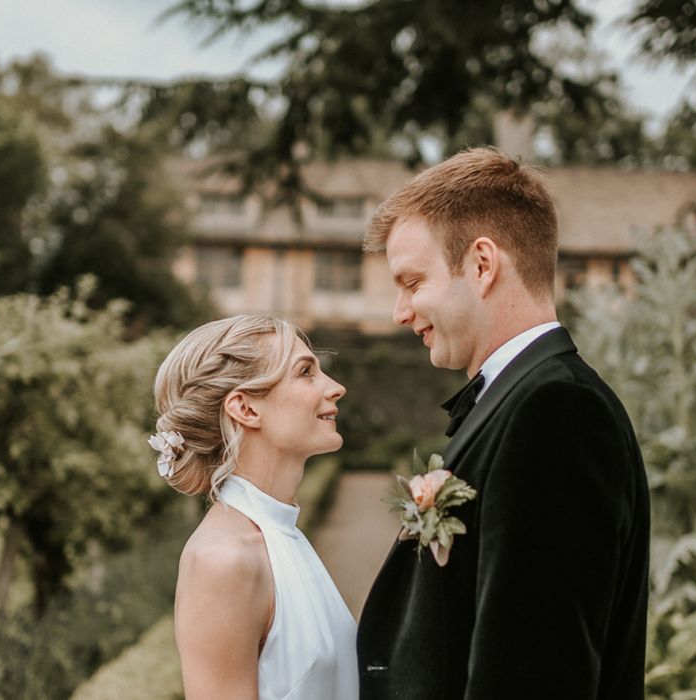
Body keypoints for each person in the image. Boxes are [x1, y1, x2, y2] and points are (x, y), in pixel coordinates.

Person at [357, 148, 650, 699]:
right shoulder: (522, 399)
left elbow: (535, 674)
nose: (399, 311)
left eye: (413, 282)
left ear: (483, 265)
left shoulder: (557, 412)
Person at [149, 314, 358, 700]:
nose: (336, 387)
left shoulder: (283, 535)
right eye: (306, 372)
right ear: (245, 409)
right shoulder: (222, 560)